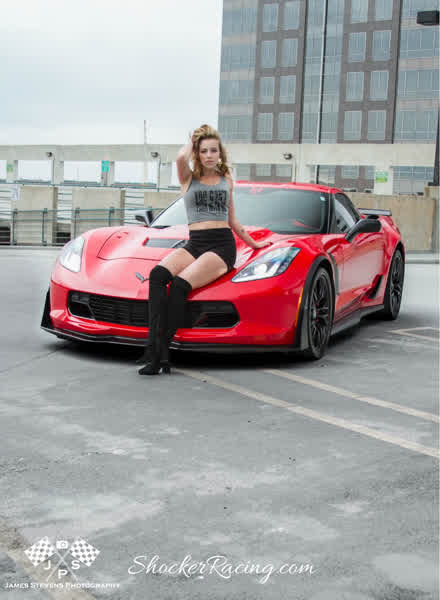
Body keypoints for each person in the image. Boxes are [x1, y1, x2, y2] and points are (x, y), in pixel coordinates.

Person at [138, 124, 271, 375]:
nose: (209, 155)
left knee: (179, 286)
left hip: (221, 246)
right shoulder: (188, 178)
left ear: (220, 153)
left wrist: (254, 243)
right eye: (203, 151)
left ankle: (160, 353)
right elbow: (180, 157)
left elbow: (232, 220)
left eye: (213, 150)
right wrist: (193, 139)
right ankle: (153, 344)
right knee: (157, 276)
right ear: (197, 154)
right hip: (195, 242)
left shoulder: (226, 180)